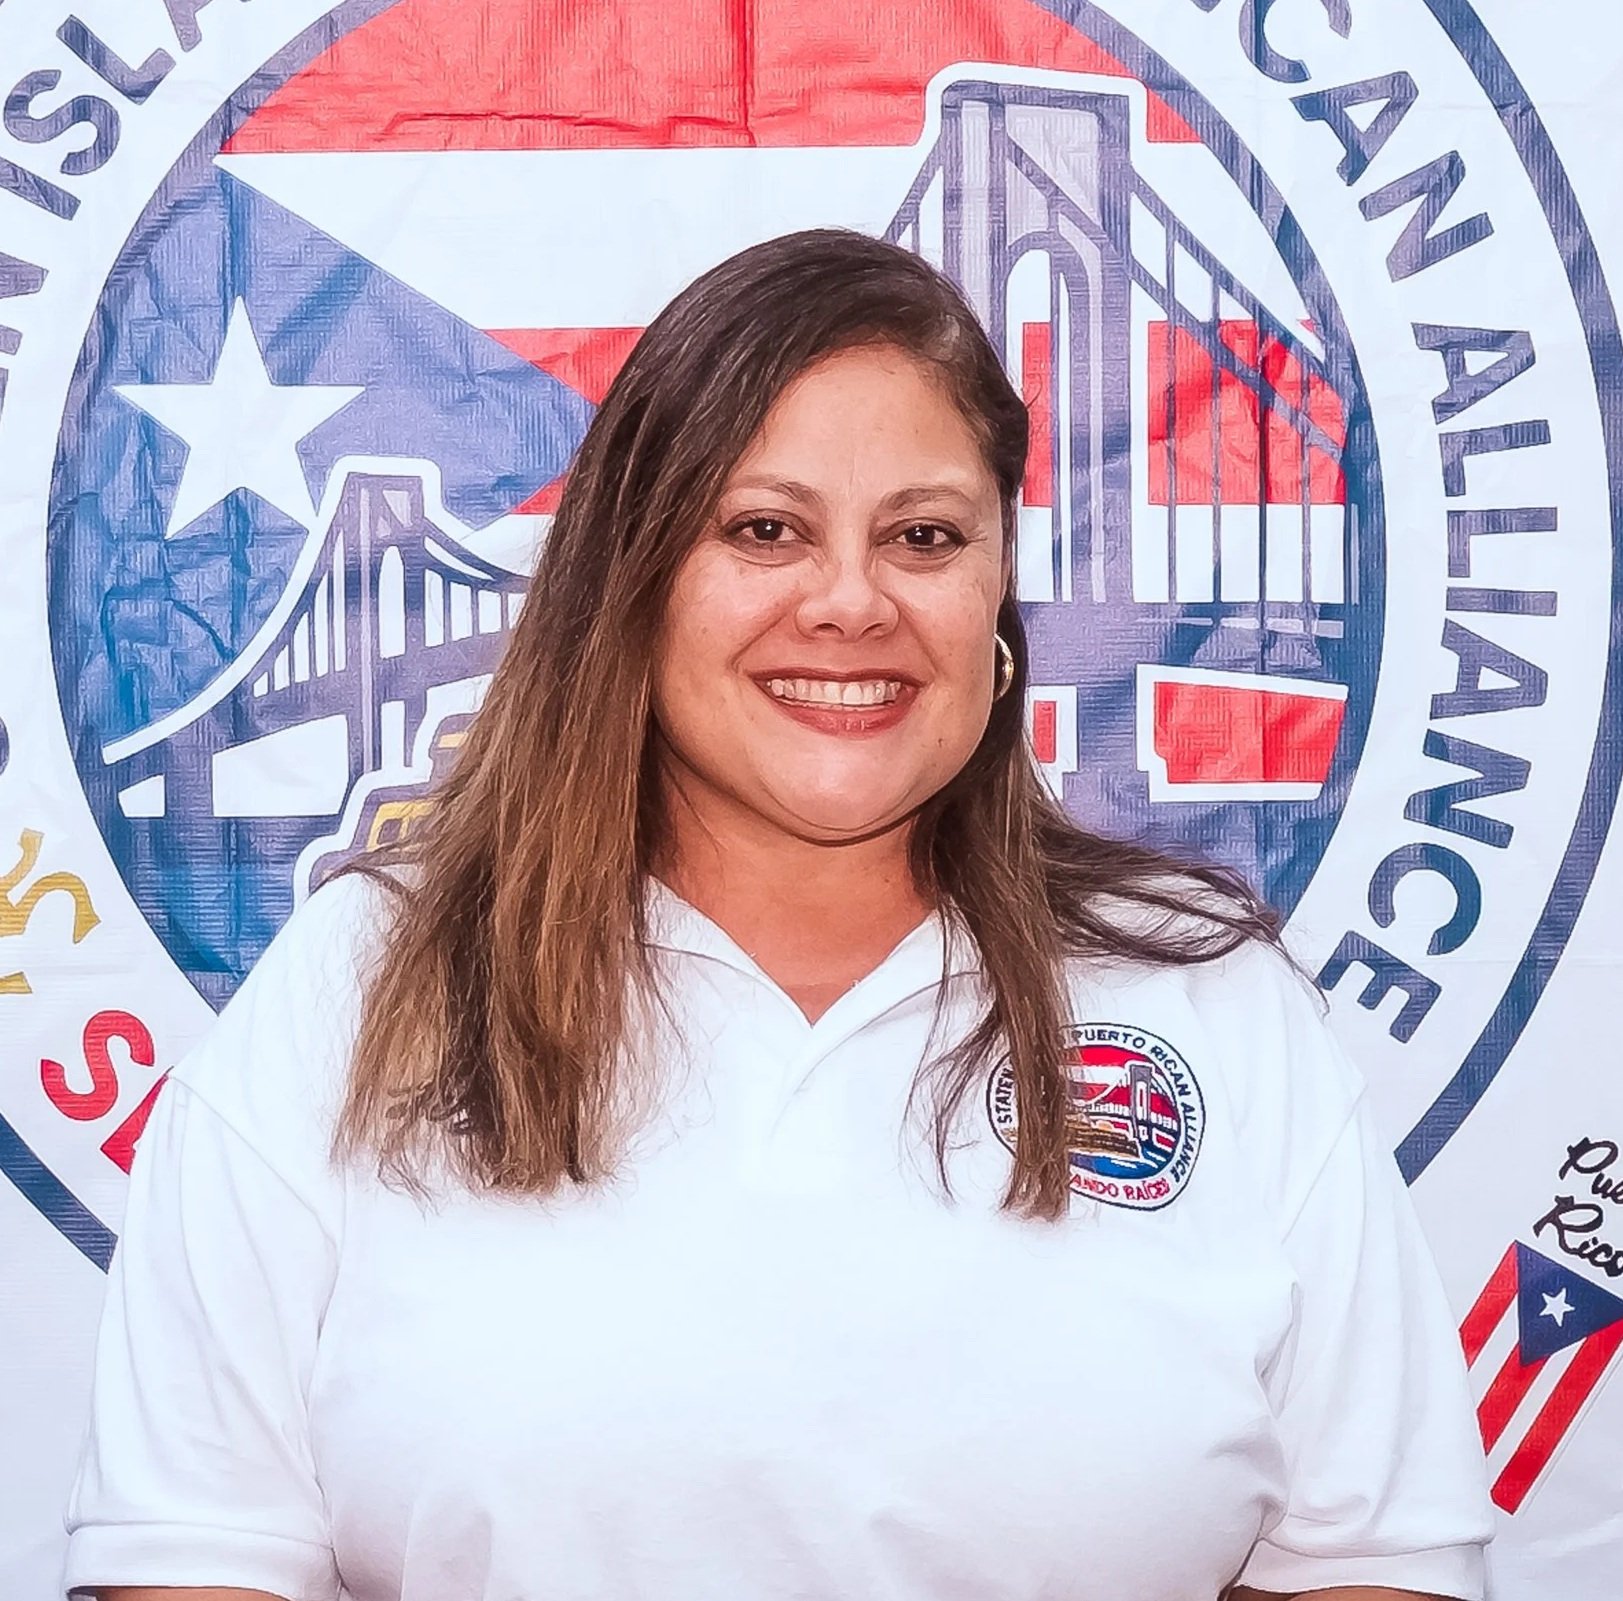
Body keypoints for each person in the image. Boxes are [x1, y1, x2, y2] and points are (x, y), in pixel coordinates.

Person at [63, 229, 1494, 1601]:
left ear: (1003, 590)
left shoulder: (1213, 996)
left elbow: (1374, 1555)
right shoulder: (361, 986)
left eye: (926, 535)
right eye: (763, 528)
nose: (852, 601)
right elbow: (194, 1555)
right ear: (633, 578)